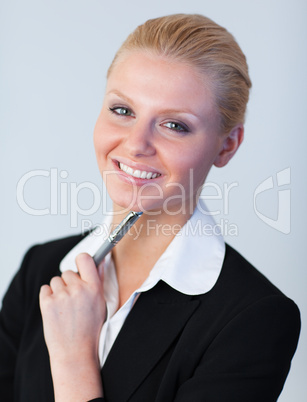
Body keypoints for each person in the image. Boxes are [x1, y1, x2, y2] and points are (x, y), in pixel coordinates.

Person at [0, 13, 300, 402]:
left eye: (175, 125)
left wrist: (74, 361)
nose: (136, 144)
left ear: (227, 145)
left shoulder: (254, 319)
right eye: (123, 111)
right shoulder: (39, 270)